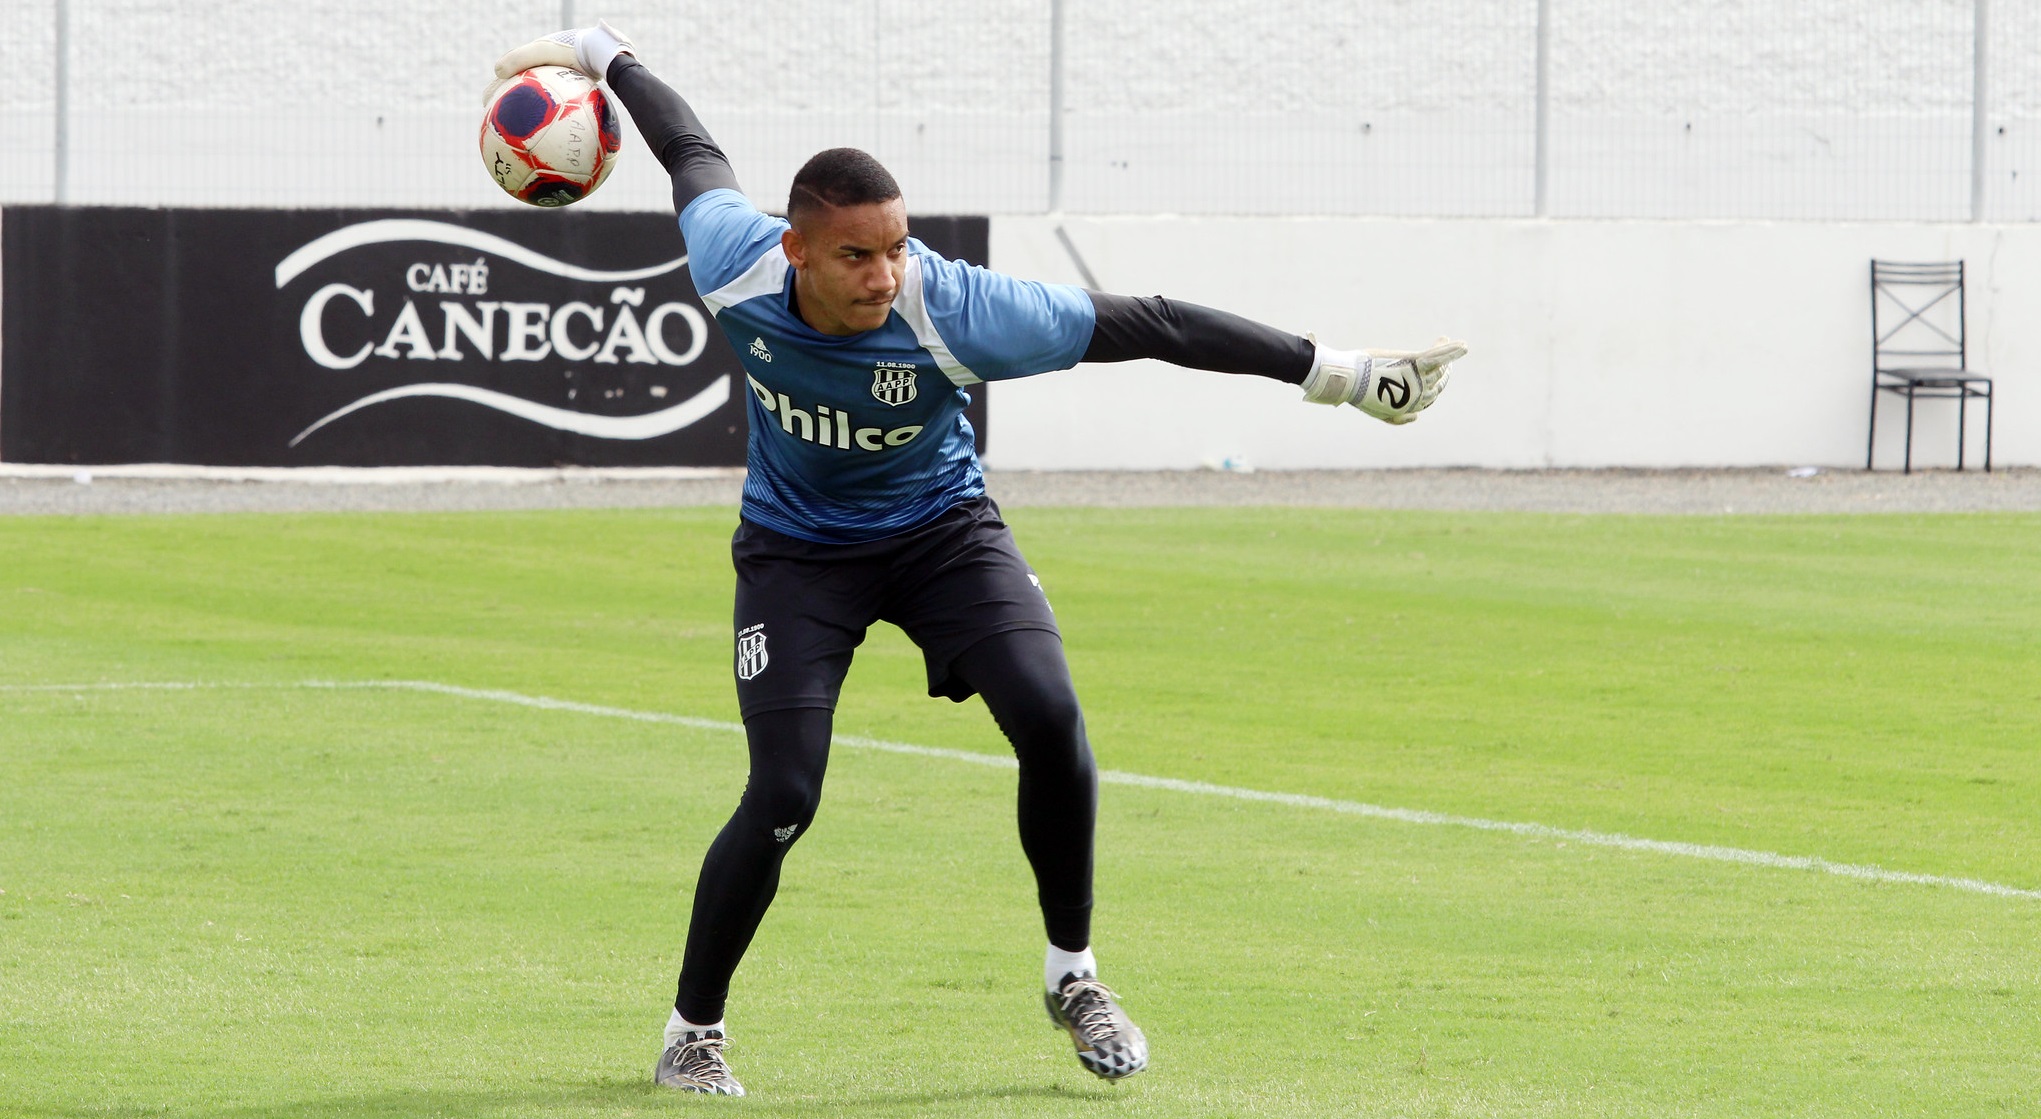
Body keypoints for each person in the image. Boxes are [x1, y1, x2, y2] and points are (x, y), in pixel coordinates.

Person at [490, 23, 1467, 1098]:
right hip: (797, 556)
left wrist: (1338, 372)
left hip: (942, 535)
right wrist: (606, 55)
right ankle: (691, 1034)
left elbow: (1147, 322)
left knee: (1052, 718)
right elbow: (690, 151)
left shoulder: (954, 308)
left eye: (895, 246)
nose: (883, 273)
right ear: (796, 251)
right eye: (857, 254)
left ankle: (1073, 975)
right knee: (782, 792)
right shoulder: (731, 258)